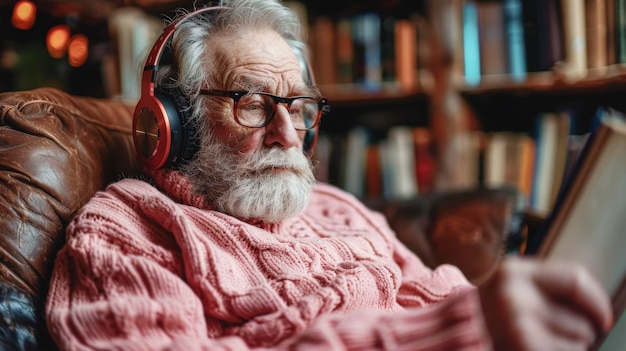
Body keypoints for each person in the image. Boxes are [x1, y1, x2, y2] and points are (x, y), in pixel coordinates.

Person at [45, 0, 613, 350]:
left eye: (297, 106)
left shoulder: (341, 210)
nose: (287, 134)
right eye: (250, 101)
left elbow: (442, 297)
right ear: (173, 123)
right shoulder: (121, 235)